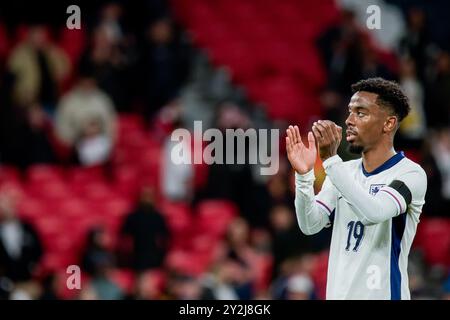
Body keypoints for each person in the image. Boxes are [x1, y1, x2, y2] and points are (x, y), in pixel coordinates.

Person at [285, 77, 427, 300]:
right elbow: (310, 225)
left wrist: (331, 160)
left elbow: (375, 212)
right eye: (350, 111)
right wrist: (304, 177)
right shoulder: (344, 172)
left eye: (361, 113)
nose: (349, 120)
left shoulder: (410, 174)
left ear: (388, 124)